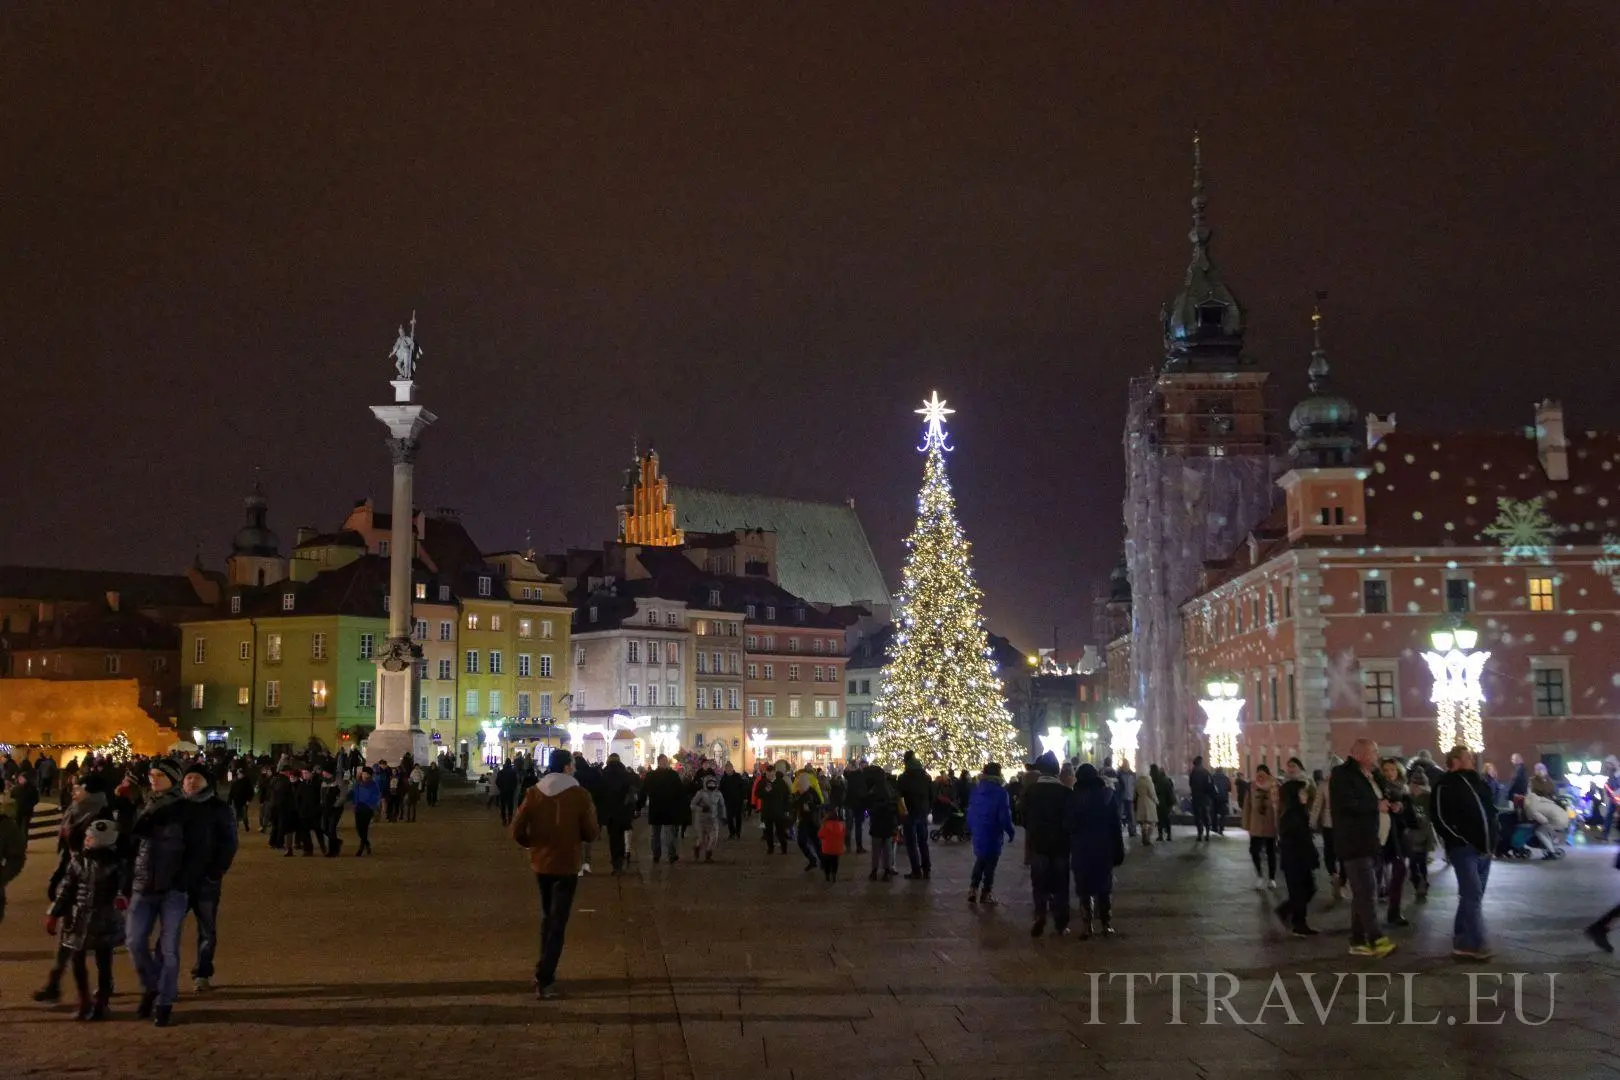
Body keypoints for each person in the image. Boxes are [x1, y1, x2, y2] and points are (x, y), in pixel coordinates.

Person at [124, 758, 210, 1027]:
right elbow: (130, 844)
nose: (153, 779)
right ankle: (152, 985)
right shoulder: (145, 805)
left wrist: (184, 881)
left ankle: (164, 1001)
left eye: (159, 775)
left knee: (168, 948)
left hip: (173, 888)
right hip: (143, 884)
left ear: (172, 779)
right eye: (151, 774)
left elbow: (199, 851)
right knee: (134, 941)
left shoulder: (187, 810)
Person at [511, 748, 601, 1000]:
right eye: (571, 764)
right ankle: (545, 976)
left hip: (541, 863)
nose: (573, 767)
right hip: (566, 863)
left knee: (547, 916)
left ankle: (542, 968)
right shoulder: (579, 794)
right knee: (558, 921)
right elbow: (592, 832)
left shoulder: (534, 792)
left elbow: (516, 828)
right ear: (566, 767)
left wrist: (532, 843)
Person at [34, 773, 111, 1003]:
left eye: (78, 788)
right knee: (69, 936)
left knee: (96, 944)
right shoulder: (75, 812)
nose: (73, 791)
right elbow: (66, 854)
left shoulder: (100, 816)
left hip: (91, 883)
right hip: (73, 876)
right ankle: (55, 983)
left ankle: (100, 992)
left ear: (89, 792)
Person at [46, 818, 124, 1020]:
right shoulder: (79, 861)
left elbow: (123, 891)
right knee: (78, 960)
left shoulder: (116, 864)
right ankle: (84, 1001)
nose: (87, 840)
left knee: (104, 962)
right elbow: (66, 890)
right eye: (87, 837)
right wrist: (54, 914)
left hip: (104, 919)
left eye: (91, 838)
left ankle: (102, 1004)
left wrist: (122, 902)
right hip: (80, 917)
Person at [1431, 745, 1499, 962]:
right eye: (1468, 757)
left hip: (1485, 847)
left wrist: (1494, 837)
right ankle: (1475, 944)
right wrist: (1459, 840)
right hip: (1464, 849)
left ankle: (1461, 939)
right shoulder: (1445, 785)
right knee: (1472, 894)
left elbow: (1490, 810)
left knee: (1471, 895)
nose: (1472, 760)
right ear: (1456, 761)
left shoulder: (1478, 782)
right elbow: (1439, 818)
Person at [1329, 738, 1395, 958]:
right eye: (1374, 752)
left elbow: (1382, 797)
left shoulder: (1372, 776)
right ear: (1359, 754)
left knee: (1361, 893)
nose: (1377, 755)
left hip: (1372, 841)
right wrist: (1375, 806)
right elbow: (1346, 804)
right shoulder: (1342, 775)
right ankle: (1376, 938)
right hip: (1354, 842)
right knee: (1367, 892)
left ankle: (1357, 940)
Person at [182, 764, 238, 993]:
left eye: (196, 778)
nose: (191, 781)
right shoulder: (175, 807)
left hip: (207, 880)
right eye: (188, 778)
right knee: (169, 928)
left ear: (206, 782)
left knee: (206, 928)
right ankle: (164, 974)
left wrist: (217, 870)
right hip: (179, 879)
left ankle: (203, 972)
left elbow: (229, 842)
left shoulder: (219, 808)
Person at [1065, 762, 1124, 938]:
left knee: (1084, 888)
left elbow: (1068, 825)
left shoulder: (1074, 799)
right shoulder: (1107, 796)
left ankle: (1087, 925)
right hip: (1103, 847)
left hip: (1082, 848)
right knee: (1104, 887)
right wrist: (1118, 850)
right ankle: (1106, 924)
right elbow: (1115, 826)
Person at [1023, 751, 1072, 937]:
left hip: (1039, 845)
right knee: (1061, 884)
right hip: (1060, 846)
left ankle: (1040, 913)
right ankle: (1061, 923)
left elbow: (1023, 818)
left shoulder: (1031, 792)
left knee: (1039, 883)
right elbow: (1069, 820)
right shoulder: (1066, 793)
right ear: (1056, 771)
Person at [1275, 758, 1320, 937]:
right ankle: (1298, 923)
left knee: (1308, 888)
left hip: (1300, 855)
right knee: (1301, 889)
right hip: (1295, 856)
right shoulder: (1292, 815)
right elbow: (1297, 836)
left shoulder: (1300, 812)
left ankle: (1288, 913)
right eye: (1302, 793)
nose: (1305, 796)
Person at [965, 762, 1015, 904]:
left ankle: (973, 888)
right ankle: (986, 892)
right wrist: (1010, 831)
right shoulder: (1000, 792)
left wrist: (970, 828)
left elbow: (970, 811)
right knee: (990, 864)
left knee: (980, 859)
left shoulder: (976, 790)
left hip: (978, 831)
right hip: (993, 832)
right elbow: (1004, 816)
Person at [1378, 759, 1413, 926]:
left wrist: (1402, 807)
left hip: (1399, 835)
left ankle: (1394, 911)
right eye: (1385, 770)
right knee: (1377, 874)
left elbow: (1410, 812)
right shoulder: (1378, 788)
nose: (1389, 773)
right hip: (1383, 835)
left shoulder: (1403, 789)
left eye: (1392, 770)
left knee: (1399, 872)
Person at [639, 754, 687, 864]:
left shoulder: (673, 775)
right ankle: (656, 854)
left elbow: (680, 792)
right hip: (656, 809)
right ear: (659, 762)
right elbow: (644, 790)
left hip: (668, 809)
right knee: (655, 834)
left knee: (669, 834)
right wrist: (639, 805)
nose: (665, 763)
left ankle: (671, 854)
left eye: (666, 761)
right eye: (663, 761)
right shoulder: (651, 775)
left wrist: (681, 805)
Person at [897, 750, 933, 880]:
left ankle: (916, 870)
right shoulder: (926, 776)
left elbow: (899, 797)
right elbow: (931, 795)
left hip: (910, 813)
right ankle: (927, 869)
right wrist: (928, 809)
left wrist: (902, 813)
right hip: (922, 812)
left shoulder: (903, 778)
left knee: (911, 843)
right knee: (923, 841)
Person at [597, 754, 636, 873]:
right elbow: (631, 791)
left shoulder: (604, 773)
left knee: (613, 837)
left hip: (610, 811)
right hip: (623, 810)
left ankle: (615, 862)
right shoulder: (625, 773)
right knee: (621, 834)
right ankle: (621, 857)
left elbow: (600, 792)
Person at [1243, 765, 1279, 889]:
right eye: (1258, 774)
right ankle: (1259, 876)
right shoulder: (1252, 786)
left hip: (1270, 824)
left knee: (1271, 852)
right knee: (1254, 851)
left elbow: (1278, 805)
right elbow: (1247, 806)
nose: (1260, 777)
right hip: (1256, 824)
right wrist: (1246, 824)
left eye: (1263, 774)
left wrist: (1278, 824)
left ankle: (1272, 878)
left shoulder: (1274, 786)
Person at [1405, 768, 1437, 904]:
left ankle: (1422, 882)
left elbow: (1432, 815)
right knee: (1413, 863)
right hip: (1411, 834)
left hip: (1423, 834)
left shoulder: (1428, 798)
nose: (1415, 788)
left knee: (1421, 861)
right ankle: (1418, 881)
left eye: (1418, 785)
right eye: (1414, 784)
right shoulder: (1407, 797)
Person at [864, 763, 899, 881]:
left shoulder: (873, 790)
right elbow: (895, 804)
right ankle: (887, 871)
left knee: (876, 849)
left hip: (877, 822)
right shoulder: (889, 788)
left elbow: (869, 804)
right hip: (888, 822)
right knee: (888, 848)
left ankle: (874, 871)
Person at [793, 766, 825, 871]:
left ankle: (822, 861)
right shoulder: (799, 794)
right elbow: (795, 805)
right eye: (799, 785)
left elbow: (820, 803)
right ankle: (813, 859)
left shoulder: (811, 792)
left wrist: (811, 806)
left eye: (801, 785)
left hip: (812, 820)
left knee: (815, 842)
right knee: (803, 841)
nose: (799, 786)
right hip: (804, 820)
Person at [760, 762, 793, 855]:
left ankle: (784, 848)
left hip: (779, 811)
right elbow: (757, 794)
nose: (770, 776)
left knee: (780, 831)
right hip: (767, 812)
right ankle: (770, 848)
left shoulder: (781, 782)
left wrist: (787, 809)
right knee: (768, 832)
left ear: (774, 772)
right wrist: (765, 791)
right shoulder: (763, 782)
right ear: (766, 773)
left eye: (771, 774)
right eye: (768, 774)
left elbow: (787, 796)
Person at [690, 775, 725, 862]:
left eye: (713, 783)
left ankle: (708, 854)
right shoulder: (700, 793)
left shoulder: (718, 794)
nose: (711, 786)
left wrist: (724, 816)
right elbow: (692, 805)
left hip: (713, 819)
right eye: (710, 783)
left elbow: (722, 805)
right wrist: (701, 809)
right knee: (701, 839)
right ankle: (697, 848)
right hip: (701, 819)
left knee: (713, 838)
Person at [348, 767, 381, 856]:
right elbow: (354, 794)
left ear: (370, 775)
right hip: (358, 808)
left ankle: (361, 848)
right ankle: (367, 843)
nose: (364, 775)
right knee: (359, 828)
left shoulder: (373, 785)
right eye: (363, 773)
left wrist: (371, 805)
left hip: (367, 808)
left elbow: (376, 796)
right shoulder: (357, 783)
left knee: (364, 828)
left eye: (366, 774)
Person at [843, 758, 869, 853]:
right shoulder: (856, 774)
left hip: (855, 803)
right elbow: (845, 773)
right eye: (863, 765)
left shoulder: (861, 775)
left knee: (854, 825)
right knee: (853, 825)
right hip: (855, 803)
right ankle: (851, 845)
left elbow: (845, 773)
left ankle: (854, 846)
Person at [718, 761, 748, 841]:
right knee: (729, 818)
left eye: (730, 768)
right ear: (725, 769)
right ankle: (732, 832)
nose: (728, 769)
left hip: (738, 800)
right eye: (727, 768)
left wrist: (744, 797)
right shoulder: (723, 778)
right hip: (728, 802)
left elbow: (743, 788)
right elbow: (720, 790)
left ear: (732, 768)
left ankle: (738, 832)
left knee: (738, 818)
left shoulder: (737, 776)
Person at [817, 806, 846, 883]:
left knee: (827, 862)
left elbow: (820, 835)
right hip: (837, 848)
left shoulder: (825, 824)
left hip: (827, 848)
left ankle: (827, 875)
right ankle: (834, 875)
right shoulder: (841, 824)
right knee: (835, 862)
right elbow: (844, 834)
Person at [1188, 756, 1214, 841]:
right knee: (1206, 815)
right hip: (1205, 798)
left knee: (1198, 817)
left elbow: (1190, 784)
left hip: (1196, 798)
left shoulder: (1193, 773)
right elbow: (1211, 785)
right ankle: (1207, 834)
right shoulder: (1206, 772)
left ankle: (1200, 834)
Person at [1132, 767, 1157, 849]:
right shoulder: (1148, 781)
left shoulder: (1138, 781)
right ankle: (1147, 838)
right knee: (1152, 822)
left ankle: (1144, 838)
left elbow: (1134, 793)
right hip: (1148, 802)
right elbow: (1152, 793)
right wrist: (1157, 801)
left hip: (1140, 802)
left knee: (1143, 822)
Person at [1151, 764, 1175, 842]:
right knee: (1167, 819)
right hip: (1167, 803)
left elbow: (1154, 791)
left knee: (1160, 820)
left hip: (1159, 803)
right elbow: (1170, 792)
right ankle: (1169, 835)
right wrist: (1171, 803)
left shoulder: (1156, 780)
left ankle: (1160, 836)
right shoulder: (1167, 780)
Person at [1116, 758, 1137, 838]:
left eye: (1127, 764)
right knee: (1120, 814)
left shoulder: (1132, 774)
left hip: (1129, 797)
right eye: (1125, 764)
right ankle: (1118, 831)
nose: (1126, 765)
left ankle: (1132, 831)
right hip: (1121, 797)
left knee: (1130, 815)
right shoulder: (1119, 774)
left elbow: (1134, 785)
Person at [494, 761, 519, 826]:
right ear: (510, 764)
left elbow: (497, 782)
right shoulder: (513, 772)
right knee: (510, 806)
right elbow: (515, 782)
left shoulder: (501, 772)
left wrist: (500, 788)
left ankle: (504, 820)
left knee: (503, 806)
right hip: (510, 792)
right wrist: (513, 789)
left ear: (505, 764)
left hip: (503, 791)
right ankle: (510, 820)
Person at [1211, 766, 1231, 836]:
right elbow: (1229, 788)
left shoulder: (1212, 777)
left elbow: (1210, 787)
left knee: (1214, 813)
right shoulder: (1226, 778)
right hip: (1223, 798)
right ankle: (1221, 828)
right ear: (1222, 771)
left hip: (1214, 798)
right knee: (1223, 814)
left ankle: (1214, 827)